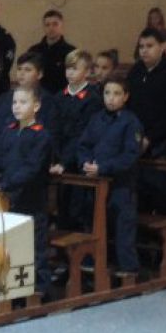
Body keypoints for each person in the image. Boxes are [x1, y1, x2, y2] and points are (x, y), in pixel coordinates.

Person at [0, 86, 53, 297]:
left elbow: (31, 170)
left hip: (31, 198)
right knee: (9, 241)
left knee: (35, 244)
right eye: (14, 102)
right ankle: (8, 283)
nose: (17, 106)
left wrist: (3, 185)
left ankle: (39, 287)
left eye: (23, 102)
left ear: (36, 106)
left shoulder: (41, 136)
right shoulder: (9, 130)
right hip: (8, 198)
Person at [77, 76, 143, 274]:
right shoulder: (97, 118)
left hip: (121, 183)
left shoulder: (131, 122)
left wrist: (104, 167)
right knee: (94, 222)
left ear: (126, 97)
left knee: (123, 225)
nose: (111, 98)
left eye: (116, 94)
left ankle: (128, 267)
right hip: (96, 182)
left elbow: (130, 156)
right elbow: (83, 144)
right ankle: (93, 262)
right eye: (107, 93)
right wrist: (85, 163)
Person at [127, 27, 166, 214]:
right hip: (136, 138)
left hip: (162, 141)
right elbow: (128, 107)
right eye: (141, 46)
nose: (144, 50)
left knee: (157, 185)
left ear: (161, 47)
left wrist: (150, 138)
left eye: (149, 46)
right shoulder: (136, 71)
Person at [50, 50, 103, 230]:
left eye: (75, 68)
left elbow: (82, 135)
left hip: (80, 161)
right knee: (62, 207)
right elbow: (54, 130)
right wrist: (57, 158)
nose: (70, 73)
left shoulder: (93, 98)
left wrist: (65, 161)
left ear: (87, 72)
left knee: (79, 209)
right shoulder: (59, 97)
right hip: (61, 161)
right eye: (68, 68)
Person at [0, 51, 61, 153]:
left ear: (39, 74)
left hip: (29, 155)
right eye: (19, 69)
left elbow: (50, 136)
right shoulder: (5, 97)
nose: (22, 73)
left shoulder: (47, 101)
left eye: (28, 70)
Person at [28, 9, 76, 94]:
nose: (51, 28)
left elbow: (75, 79)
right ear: (43, 27)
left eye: (55, 24)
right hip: (38, 97)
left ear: (62, 26)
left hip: (62, 97)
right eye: (47, 25)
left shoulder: (71, 52)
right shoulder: (34, 51)